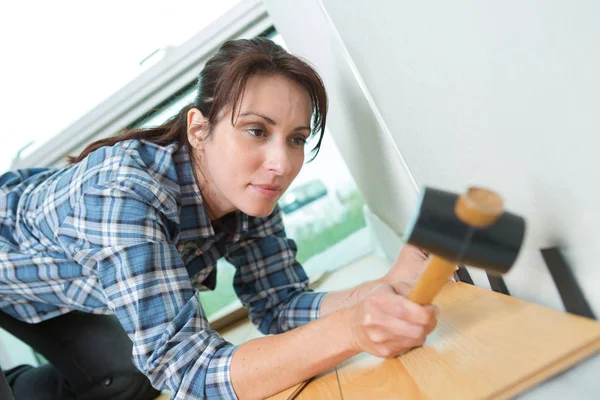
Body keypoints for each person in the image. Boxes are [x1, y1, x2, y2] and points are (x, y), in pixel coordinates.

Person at [0, 37, 438, 400]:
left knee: (127, 382)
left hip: (59, 285)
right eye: (256, 130)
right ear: (198, 130)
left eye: (297, 139)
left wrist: (385, 287)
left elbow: (279, 304)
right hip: (11, 262)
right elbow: (187, 368)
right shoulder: (123, 196)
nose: (281, 163)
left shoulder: (248, 192)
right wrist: (349, 331)